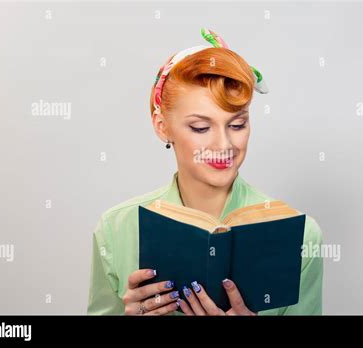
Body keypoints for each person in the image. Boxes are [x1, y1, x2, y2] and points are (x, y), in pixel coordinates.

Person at [87, 28, 323, 316]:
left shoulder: (302, 236)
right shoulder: (115, 229)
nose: (223, 144)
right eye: (200, 127)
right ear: (162, 126)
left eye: (237, 125)